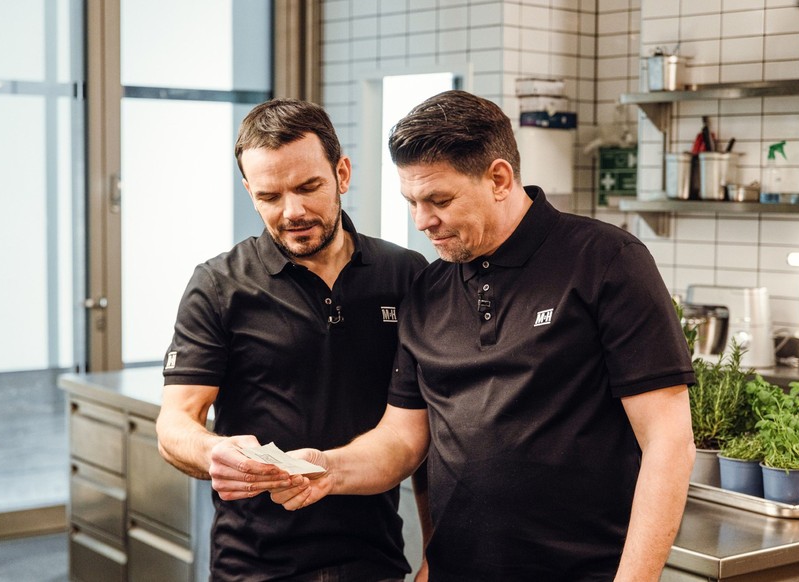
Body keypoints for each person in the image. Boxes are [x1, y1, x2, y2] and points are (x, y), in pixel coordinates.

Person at [267, 90, 697, 581]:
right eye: (412, 202)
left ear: (498, 178)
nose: (423, 221)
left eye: (440, 200)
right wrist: (327, 468)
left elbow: (668, 440)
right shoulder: (428, 290)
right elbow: (403, 441)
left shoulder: (605, 261)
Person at [155, 98, 429, 581]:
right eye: (269, 196)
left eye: (309, 187)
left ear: (342, 173)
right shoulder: (219, 285)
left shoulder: (405, 275)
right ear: (249, 191)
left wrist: (436, 554)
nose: (292, 211)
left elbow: (429, 434)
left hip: (374, 557)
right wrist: (211, 452)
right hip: (255, 563)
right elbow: (176, 422)